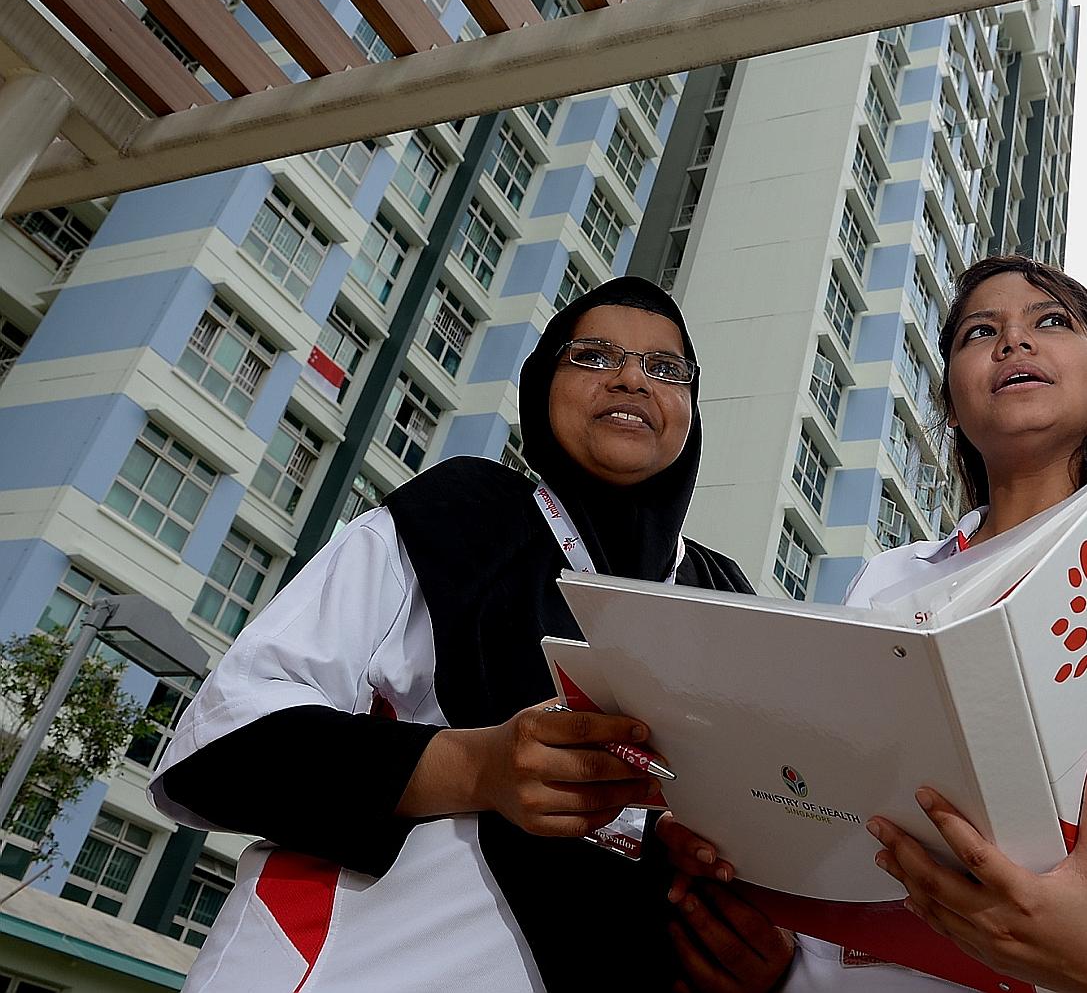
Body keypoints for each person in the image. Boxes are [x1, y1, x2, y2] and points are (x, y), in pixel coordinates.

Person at [664, 255, 1087, 993]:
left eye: (1051, 321)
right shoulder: (885, 580)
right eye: (980, 332)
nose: (1014, 343)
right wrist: (772, 943)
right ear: (953, 406)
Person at [148, 278, 794, 993]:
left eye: (665, 368)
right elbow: (222, 743)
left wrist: (758, 958)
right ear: (541, 385)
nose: (632, 378)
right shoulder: (458, 518)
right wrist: (477, 767)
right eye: (593, 355)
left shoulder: (727, 596)